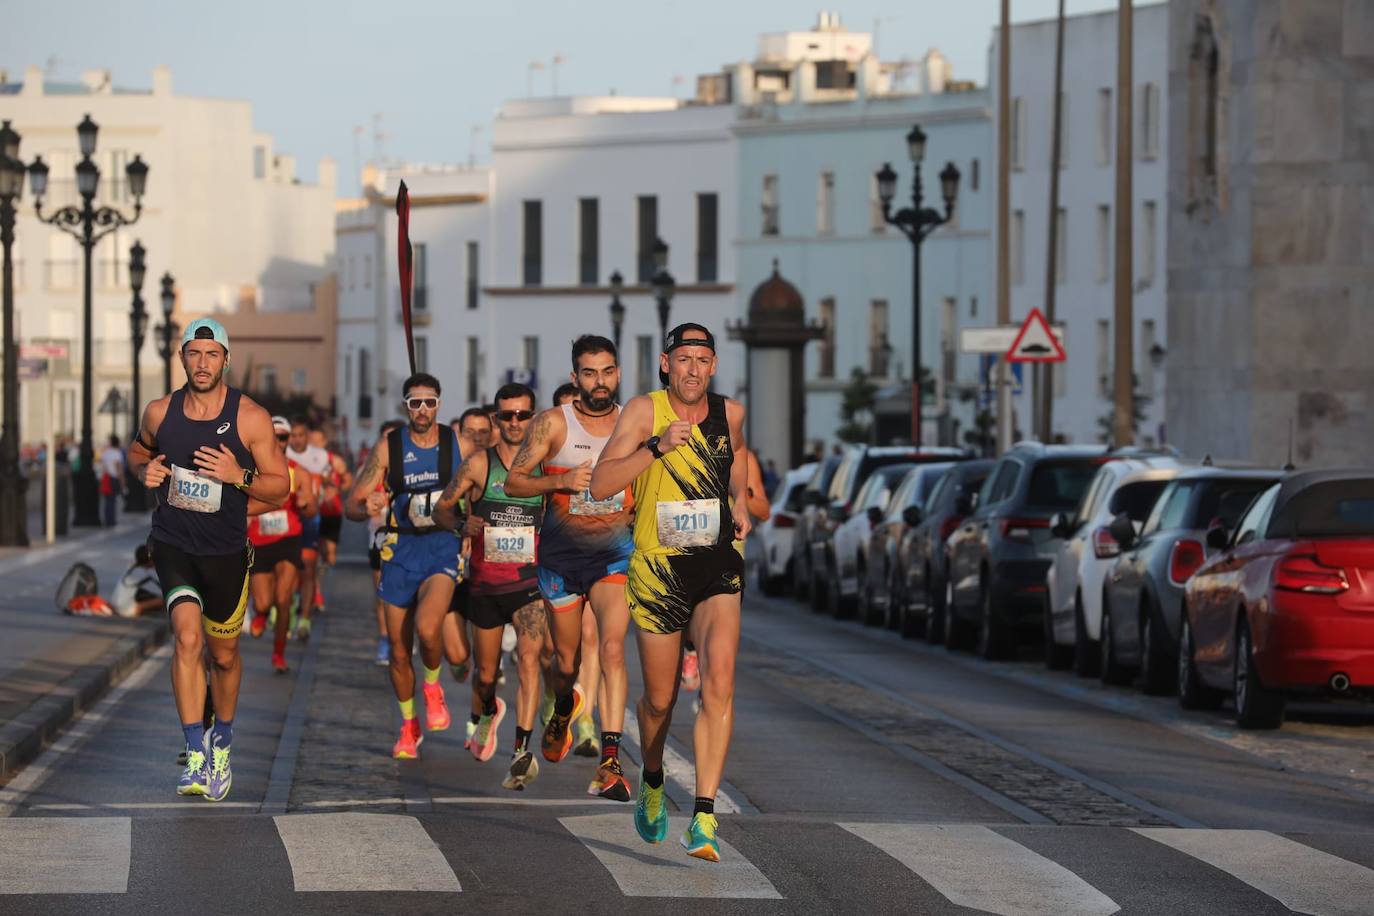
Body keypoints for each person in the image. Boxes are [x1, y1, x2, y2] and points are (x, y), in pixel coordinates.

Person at [589, 322, 751, 863]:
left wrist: (742, 503)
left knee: (719, 679)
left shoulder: (731, 414)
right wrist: (655, 448)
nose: (694, 370)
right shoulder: (642, 411)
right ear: (666, 364)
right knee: (659, 702)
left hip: (717, 564)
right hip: (659, 571)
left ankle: (704, 818)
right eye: (684, 359)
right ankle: (653, 776)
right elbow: (601, 484)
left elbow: (738, 462)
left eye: (703, 360)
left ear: (714, 366)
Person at [128, 318, 290, 802]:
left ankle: (223, 738)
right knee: (186, 639)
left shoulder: (251, 418)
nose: (202, 363)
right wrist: (145, 470)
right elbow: (137, 450)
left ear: (225, 359)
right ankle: (195, 749)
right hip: (174, 544)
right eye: (194, 354)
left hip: (225, 552)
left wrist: (238, 475)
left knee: (223, 655)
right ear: (182, 358)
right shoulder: (160, 412)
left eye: (211, 354)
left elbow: (279, 487)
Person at [505, 335, 634, 801]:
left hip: (614, 556)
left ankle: (611, 762)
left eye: (607, 371)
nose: (599, 382)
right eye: (589, 372)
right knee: (566, 662)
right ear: (575, 376)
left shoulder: (632, 423)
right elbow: (515, 481)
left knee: (614, 648)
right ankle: (563, 706)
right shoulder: (552, 425)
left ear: (617, 372)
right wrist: (560, 479)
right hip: (560, 560)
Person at [433, 383, 547, 791]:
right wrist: (464, 524)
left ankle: (521, 749)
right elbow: (440, 509)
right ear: (497, 419)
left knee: (530, 660)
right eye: (507, 416)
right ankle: (486, 712)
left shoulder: (547, 464)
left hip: (529, 582)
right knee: (485, 675)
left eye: (523, 415)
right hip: (485, 585)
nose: (515, 422)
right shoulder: (480, 465)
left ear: (535, 418)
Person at [345, 375, 466, 759]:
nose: (423, 410)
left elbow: (479, 486)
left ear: (439, 404)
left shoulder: (454, 443)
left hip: (441, 548)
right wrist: (366, 506)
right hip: (400, 550)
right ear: (405, 406)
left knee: (429, 628)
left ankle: (432, 685)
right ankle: (408, 724)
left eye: (429, 402)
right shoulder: (389, 448)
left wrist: (472, 522)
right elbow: (352, 502)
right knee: (399, 650)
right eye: (415, 403)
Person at [247, 416, 317, 673]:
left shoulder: (299, 472)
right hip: (259, 541)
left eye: (283, 437)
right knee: (264, 602)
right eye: (274, 436)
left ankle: (279, 655)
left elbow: (311, 511)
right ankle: (262, 613)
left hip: (288, 539)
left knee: (284, 599)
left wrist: (306, 504)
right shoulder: (252, 470)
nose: (279, 442)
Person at [286, 418, 330, 639]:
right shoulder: (282, 455)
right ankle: (289, 609)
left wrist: (329, 489)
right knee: (291, 570)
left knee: (309, 567)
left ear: (307, 436)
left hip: (312, 516)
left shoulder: (319, 456)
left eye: (299, 435)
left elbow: (332, 477)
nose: (295, 439)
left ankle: (304, 618)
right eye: (290, 435)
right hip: (288, 516)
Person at [367, 419, 405, 667]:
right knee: (383, 593)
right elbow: (358, 501)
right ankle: (384, 639)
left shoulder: (413, 469)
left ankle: (403, 638)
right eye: (386, 439)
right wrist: (369, 504)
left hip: (411, 539)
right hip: (380, 538)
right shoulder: (373, 469)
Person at [309, 427, 352, 573]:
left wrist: (337, 490)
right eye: (311, 441)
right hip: (311, 511)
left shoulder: (334, 461)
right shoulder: (301, 461)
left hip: (332, 509)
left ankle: (329, 584)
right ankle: (317, 583)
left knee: (330, 549)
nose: (314, 444)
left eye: (317, 441)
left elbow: (348, 480)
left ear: (324, 442)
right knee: (314, 550)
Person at [110, 544, 163, 618]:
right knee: (163, 600)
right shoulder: (142, 574)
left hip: (115, 606)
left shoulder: (131, 569)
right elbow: (161, 591)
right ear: (150, 560)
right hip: (124, 611)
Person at [100, 434, 124, 527]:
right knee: (113, 500)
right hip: (114, 478)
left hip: (106, 477)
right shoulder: (117, 454)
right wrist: (122, 481)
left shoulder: (106, 453)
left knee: (107, 500)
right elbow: (119, 468)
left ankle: (107, 519)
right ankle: (112, 520)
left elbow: (103, 467)